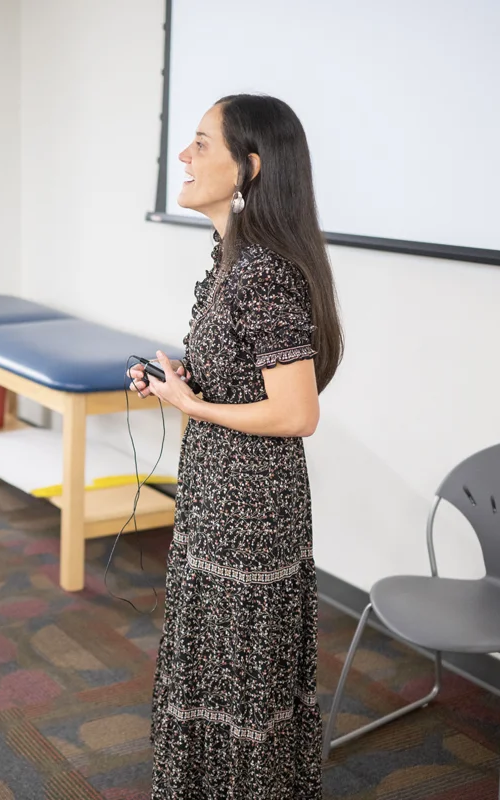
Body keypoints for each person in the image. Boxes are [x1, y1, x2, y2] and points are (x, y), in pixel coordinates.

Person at [129, 94, 343, 798]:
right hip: (221, 487)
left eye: (199, 144)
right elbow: (245, 383)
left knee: (240, 668)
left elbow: (296, 412)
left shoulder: (260, 272)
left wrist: (193, 404)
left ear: (248, 168)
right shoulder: (232, 260)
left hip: (250, 502)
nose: (183, 158)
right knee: (219, 657)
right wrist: (180, 384)